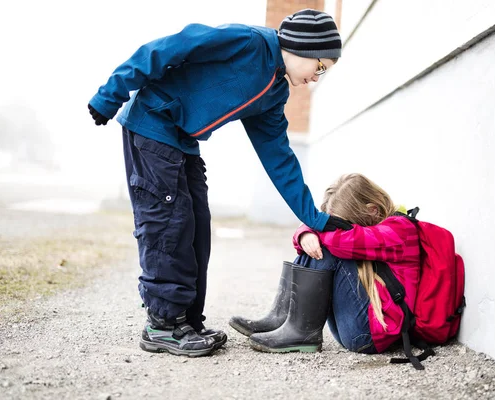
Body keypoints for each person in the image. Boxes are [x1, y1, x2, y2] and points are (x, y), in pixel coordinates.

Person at [87, 9, 352, 357]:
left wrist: (316, 218)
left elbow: (279, 158)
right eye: (319, 67)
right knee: (169, 225)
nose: (317, 78)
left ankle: (187, 321)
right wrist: (111, 93)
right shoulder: (247, 42)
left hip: (183, 140)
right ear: (302, 47)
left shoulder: (274, 93)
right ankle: (162, 325)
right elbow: (167, 48)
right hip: (151, 124)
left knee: (197, 227)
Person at [230, 173, 421, 354]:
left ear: (372, 210)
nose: (337, 227)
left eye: (342, 223)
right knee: (318, 246)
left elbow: (346, 240)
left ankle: (301, 333)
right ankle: (282, 319)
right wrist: (307, 232)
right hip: (356, 328)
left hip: (371, 336)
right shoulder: (381, 227)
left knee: (328, 248)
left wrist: (308, 229)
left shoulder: (400, 230)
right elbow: (331, 233)